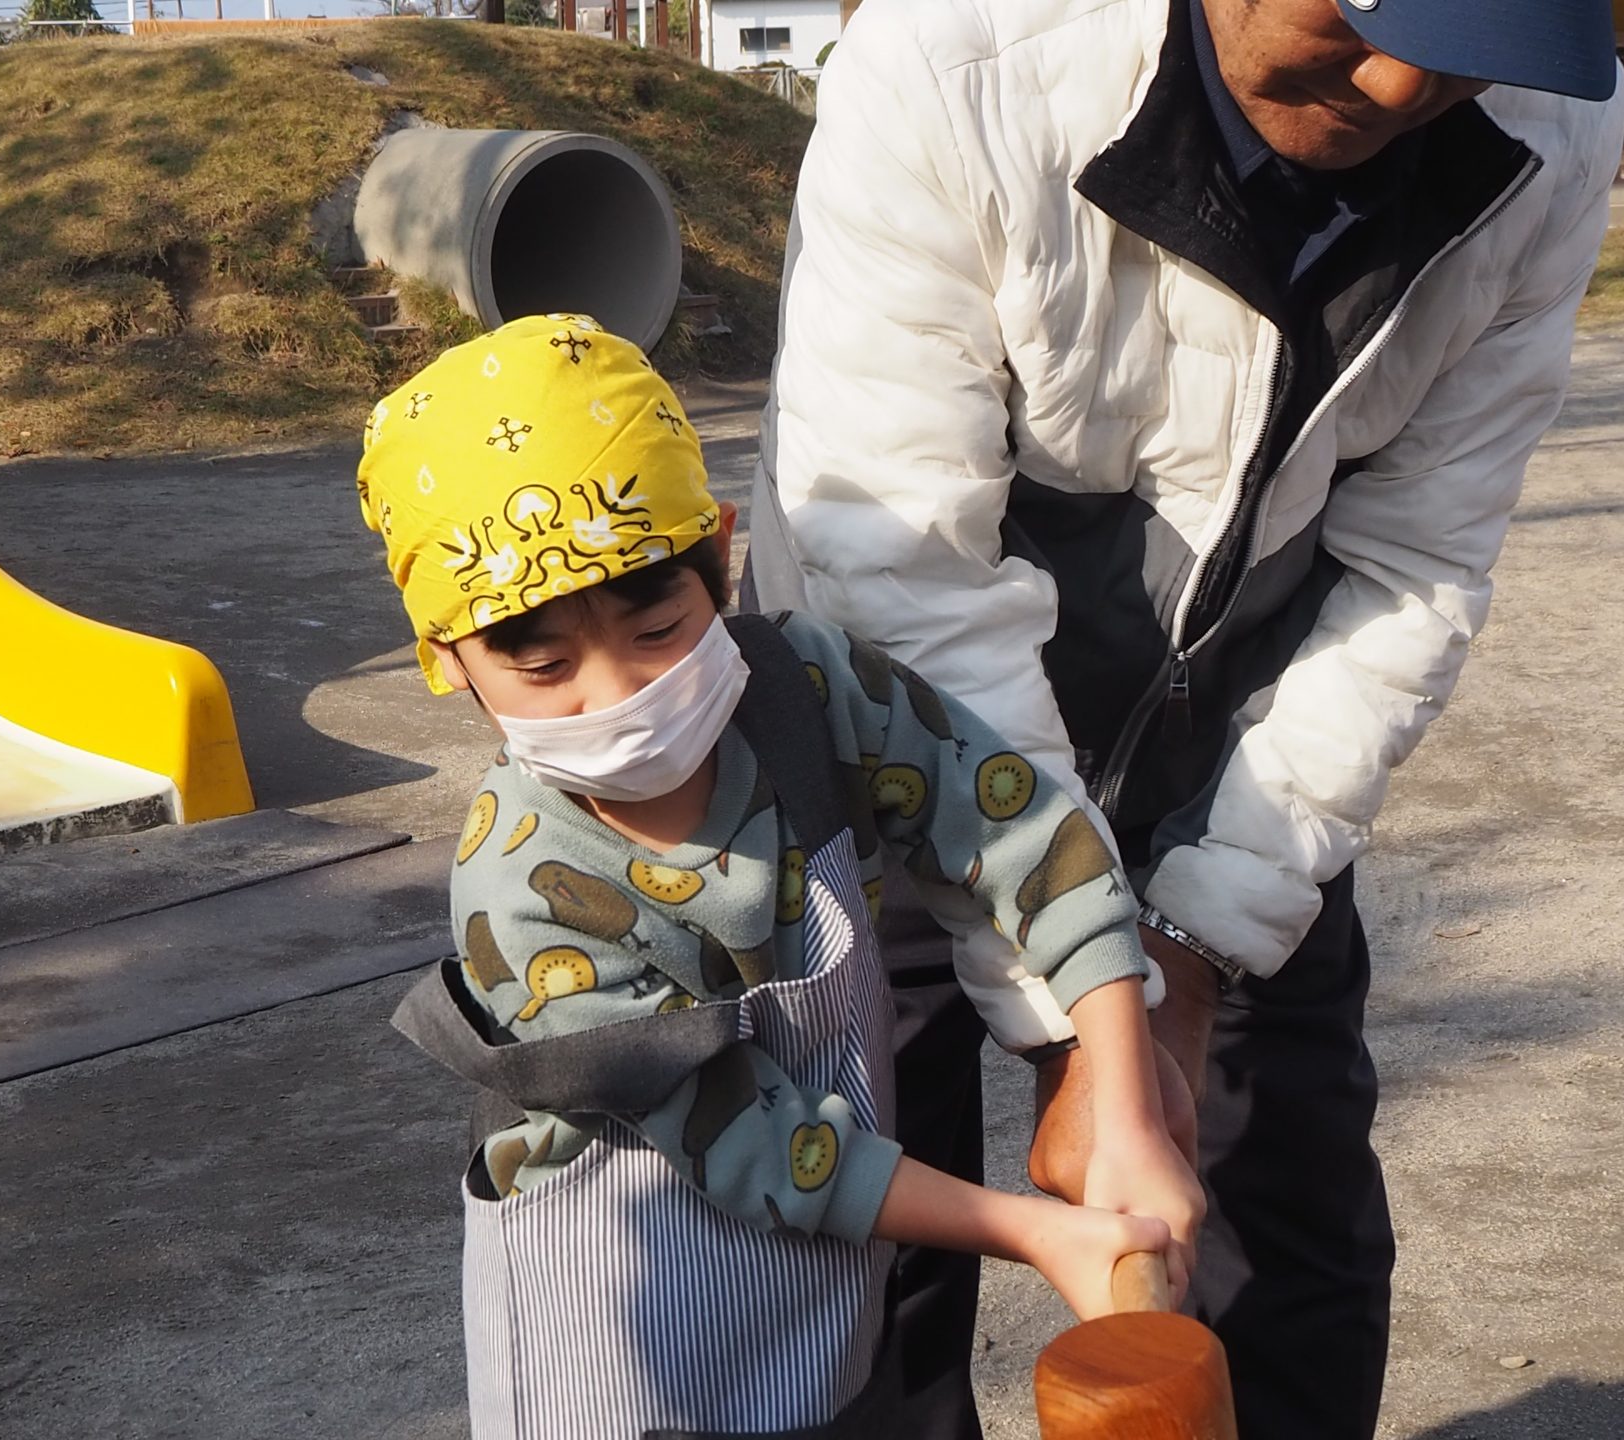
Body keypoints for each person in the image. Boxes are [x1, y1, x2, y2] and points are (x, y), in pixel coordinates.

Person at [745, 0, 1624, 1435]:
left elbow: (1415, 565)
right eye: (1360, 4)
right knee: (854, 1221)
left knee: (1283, 1217)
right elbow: (911, 576)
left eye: (1479, 33)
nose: (1407, 78)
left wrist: (1197, 952)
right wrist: (1084, 1034)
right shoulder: (953, 62)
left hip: (1236, 723)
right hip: (886, 721)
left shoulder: (1554, 120)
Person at [356, 315, 1202, 1437]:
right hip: (618, 1340)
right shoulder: (522, 892)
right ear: (443, 659)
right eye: (545, 665)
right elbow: (756, 1142)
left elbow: (1024, 832)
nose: (617, 696)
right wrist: (1039, 1232)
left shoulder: (808, 693)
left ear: (720, 549)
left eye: (658, 626)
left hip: (817, 1291)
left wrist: (1127, 1108)